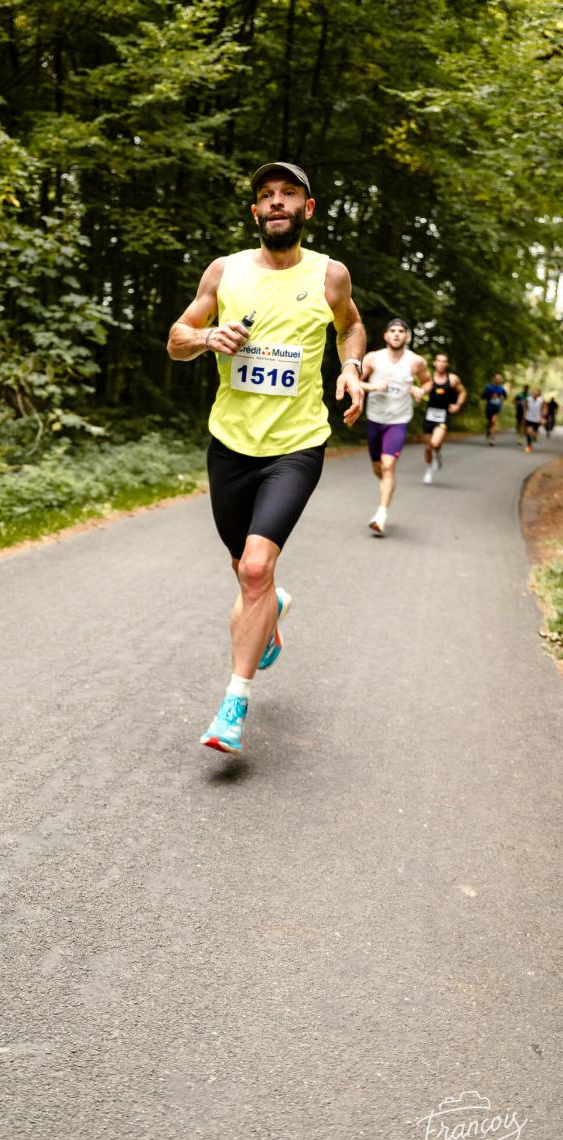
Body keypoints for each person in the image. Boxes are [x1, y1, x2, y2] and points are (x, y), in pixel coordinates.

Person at [166, 161, 365, 755]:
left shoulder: (329, 275)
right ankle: (271, 609)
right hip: (230, 445)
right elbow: (176, 339)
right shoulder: (224, 271)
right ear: (255, 211)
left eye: (289, 194)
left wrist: (352, 368)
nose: (277, 202)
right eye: (267, 195)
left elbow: (351, 328)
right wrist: (208, 337)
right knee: (244, 568)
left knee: (255, 568)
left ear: (307, 209)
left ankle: (233, 705)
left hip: (296, 446)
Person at [360, 318, 430, 534]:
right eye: (393, 331)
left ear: (406, 336)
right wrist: (372, 387)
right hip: (375, 418)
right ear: (386, 335)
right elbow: (355, 381)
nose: (397, 334)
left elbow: (427, 382)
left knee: (388, 466)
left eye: (401, 331)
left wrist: (420, 390)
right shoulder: (373, 358)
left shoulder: (416, 361)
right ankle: (387, 486)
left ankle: (381, 515)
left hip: (398, 420)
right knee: (378, 468)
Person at [419, 352, 467, 484]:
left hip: (443, 416)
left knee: (435, 443)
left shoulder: (452, 379)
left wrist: (457, 405)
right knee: (428, 447)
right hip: (429, 416)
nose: (441, 363)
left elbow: (462, 392)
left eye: (444, 361)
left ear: (447, 364)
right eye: (439, 361)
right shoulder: (429, 378)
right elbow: (422, 390)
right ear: (435, 363)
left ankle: (437, 455)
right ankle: (429, 469)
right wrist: (418, 394)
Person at [481, 373, 508, 445]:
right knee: (490, 422)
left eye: (499, 379)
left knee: (493, 422)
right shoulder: (489, 387)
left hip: (496, 407)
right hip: (489, 407)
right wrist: (490, 395)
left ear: (501, 381)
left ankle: (492, 440)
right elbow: (482, 396)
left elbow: (505, 396)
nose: (498, 380)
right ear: (494, 380)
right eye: (496, 379)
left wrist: (501, 399)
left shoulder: (501, 388)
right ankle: (488, 431)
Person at [523, 387, 546, 452]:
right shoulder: (528, 399)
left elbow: (543, 409)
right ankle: (529, 446)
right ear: (532, 393)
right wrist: (524, 415)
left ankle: (535, 436)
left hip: (537, 419)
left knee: (534, 433)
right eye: (534, 393)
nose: (535, 394)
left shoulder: (541, 400)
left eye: (537, 393)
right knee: (528, 431)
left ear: (539, 394)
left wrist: (543, 418)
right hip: (529, 418)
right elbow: (525, 407)